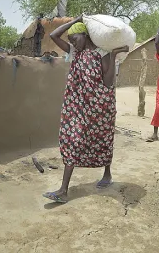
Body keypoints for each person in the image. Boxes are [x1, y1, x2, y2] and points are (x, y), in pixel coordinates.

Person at [43, 15, 129, 203]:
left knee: (103, 139)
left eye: (75, 38)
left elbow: (107, 83)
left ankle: (107, 174)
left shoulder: (102, 53)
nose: (73, 43)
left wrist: (113, 56)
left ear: (85, 35)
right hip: (77, 107)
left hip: (100, 106)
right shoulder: (75, 52)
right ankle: (63, 190)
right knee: (73, 140)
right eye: (71, 40)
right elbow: (54, 36)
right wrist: (75, 22)